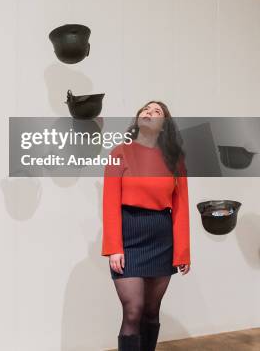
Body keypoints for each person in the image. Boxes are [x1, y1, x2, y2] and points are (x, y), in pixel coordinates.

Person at [101, 101, 191, 351]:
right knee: (133, 310)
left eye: (156, 112)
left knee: (151, 311)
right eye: (145, 110)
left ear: (164, 126)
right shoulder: (120, 152)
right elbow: (109, 202)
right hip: (128, 235)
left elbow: (181, 207)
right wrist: (114, 247)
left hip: (161, 237)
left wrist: (182, 252)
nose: (149, 113)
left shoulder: (175, 160)